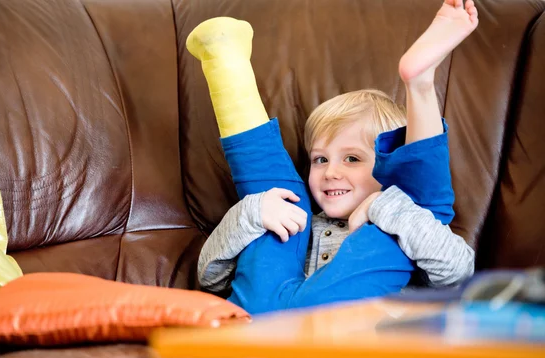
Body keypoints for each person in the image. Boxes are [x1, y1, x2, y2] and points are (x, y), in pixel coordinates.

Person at [187, 0, 479, 314]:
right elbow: (210, 277)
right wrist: (250, 214)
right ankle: (225, 60)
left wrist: (384, 206)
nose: (330, 172)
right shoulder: (297, 221)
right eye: (320, 159)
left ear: (386, 166)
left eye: (352, 159)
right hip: (262, 322)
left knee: (412, 207)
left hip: (341, 337)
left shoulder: (401, 223)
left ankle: (420, 84)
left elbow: (457, 271)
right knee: (279, 204)